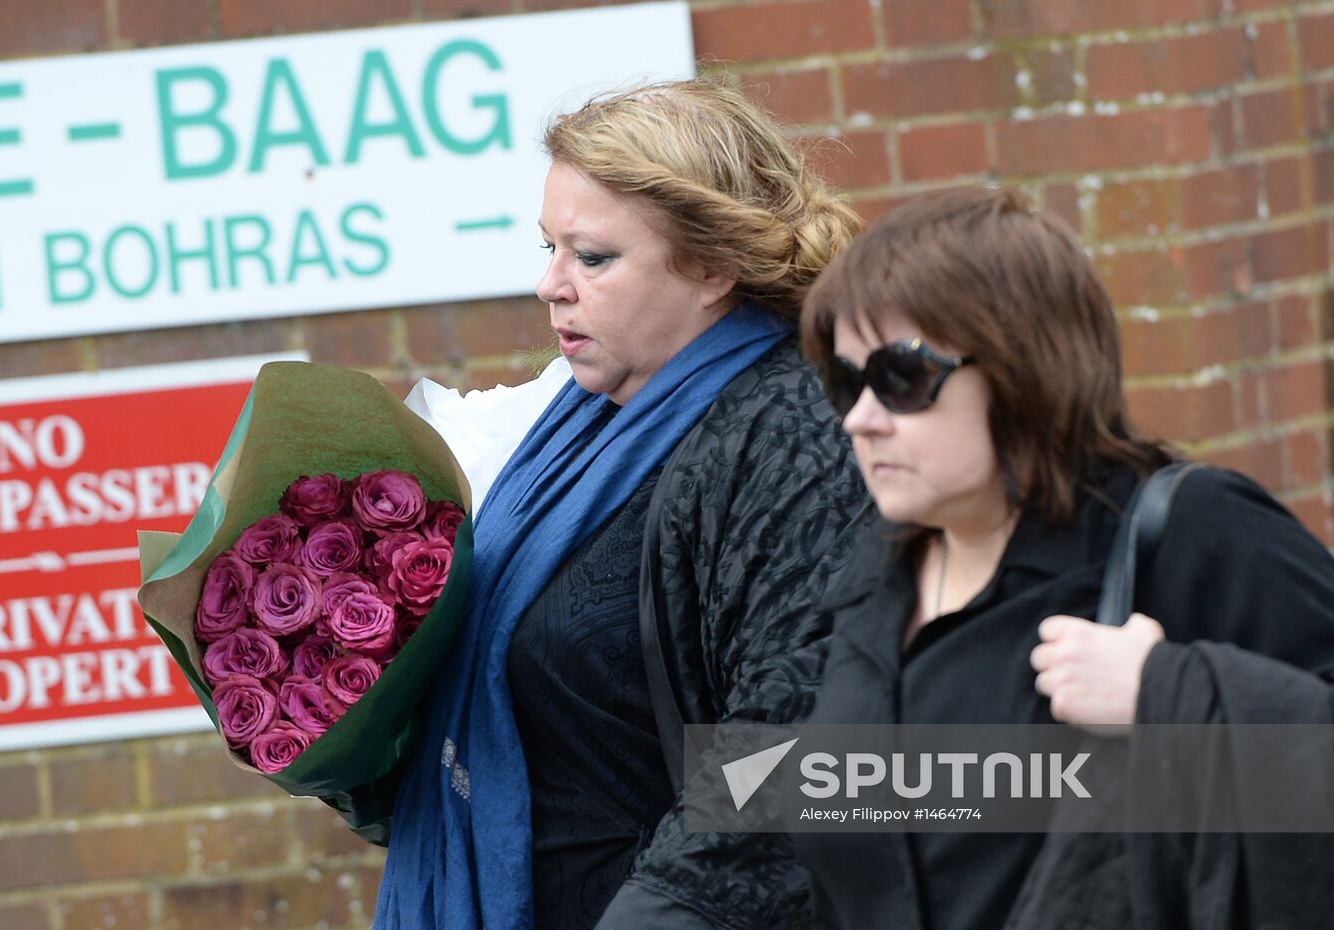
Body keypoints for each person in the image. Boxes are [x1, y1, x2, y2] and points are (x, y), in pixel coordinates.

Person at [373, 79, 869, 930]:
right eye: (549, 249)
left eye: (592, 257)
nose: (551, 286)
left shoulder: (792, 434)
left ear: (713, 265)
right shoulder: (573, 425)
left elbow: (793, 753)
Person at [791, 186, 1334, 929]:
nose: (860, 418)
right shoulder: (873, 576)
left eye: (901, 377)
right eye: (845, 382)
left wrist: (1171, 694)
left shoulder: (1188, 532)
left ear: (1022, 370)